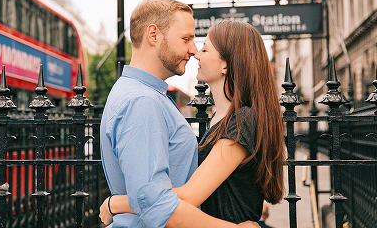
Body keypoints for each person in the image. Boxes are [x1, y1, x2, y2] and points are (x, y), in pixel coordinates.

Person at [100, 20, 286, 226]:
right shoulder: (222, 119)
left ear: (226, 64)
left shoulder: (242, 120)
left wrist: (116, 203)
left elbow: (190, 195)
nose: (196, 53)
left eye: (205, 49)